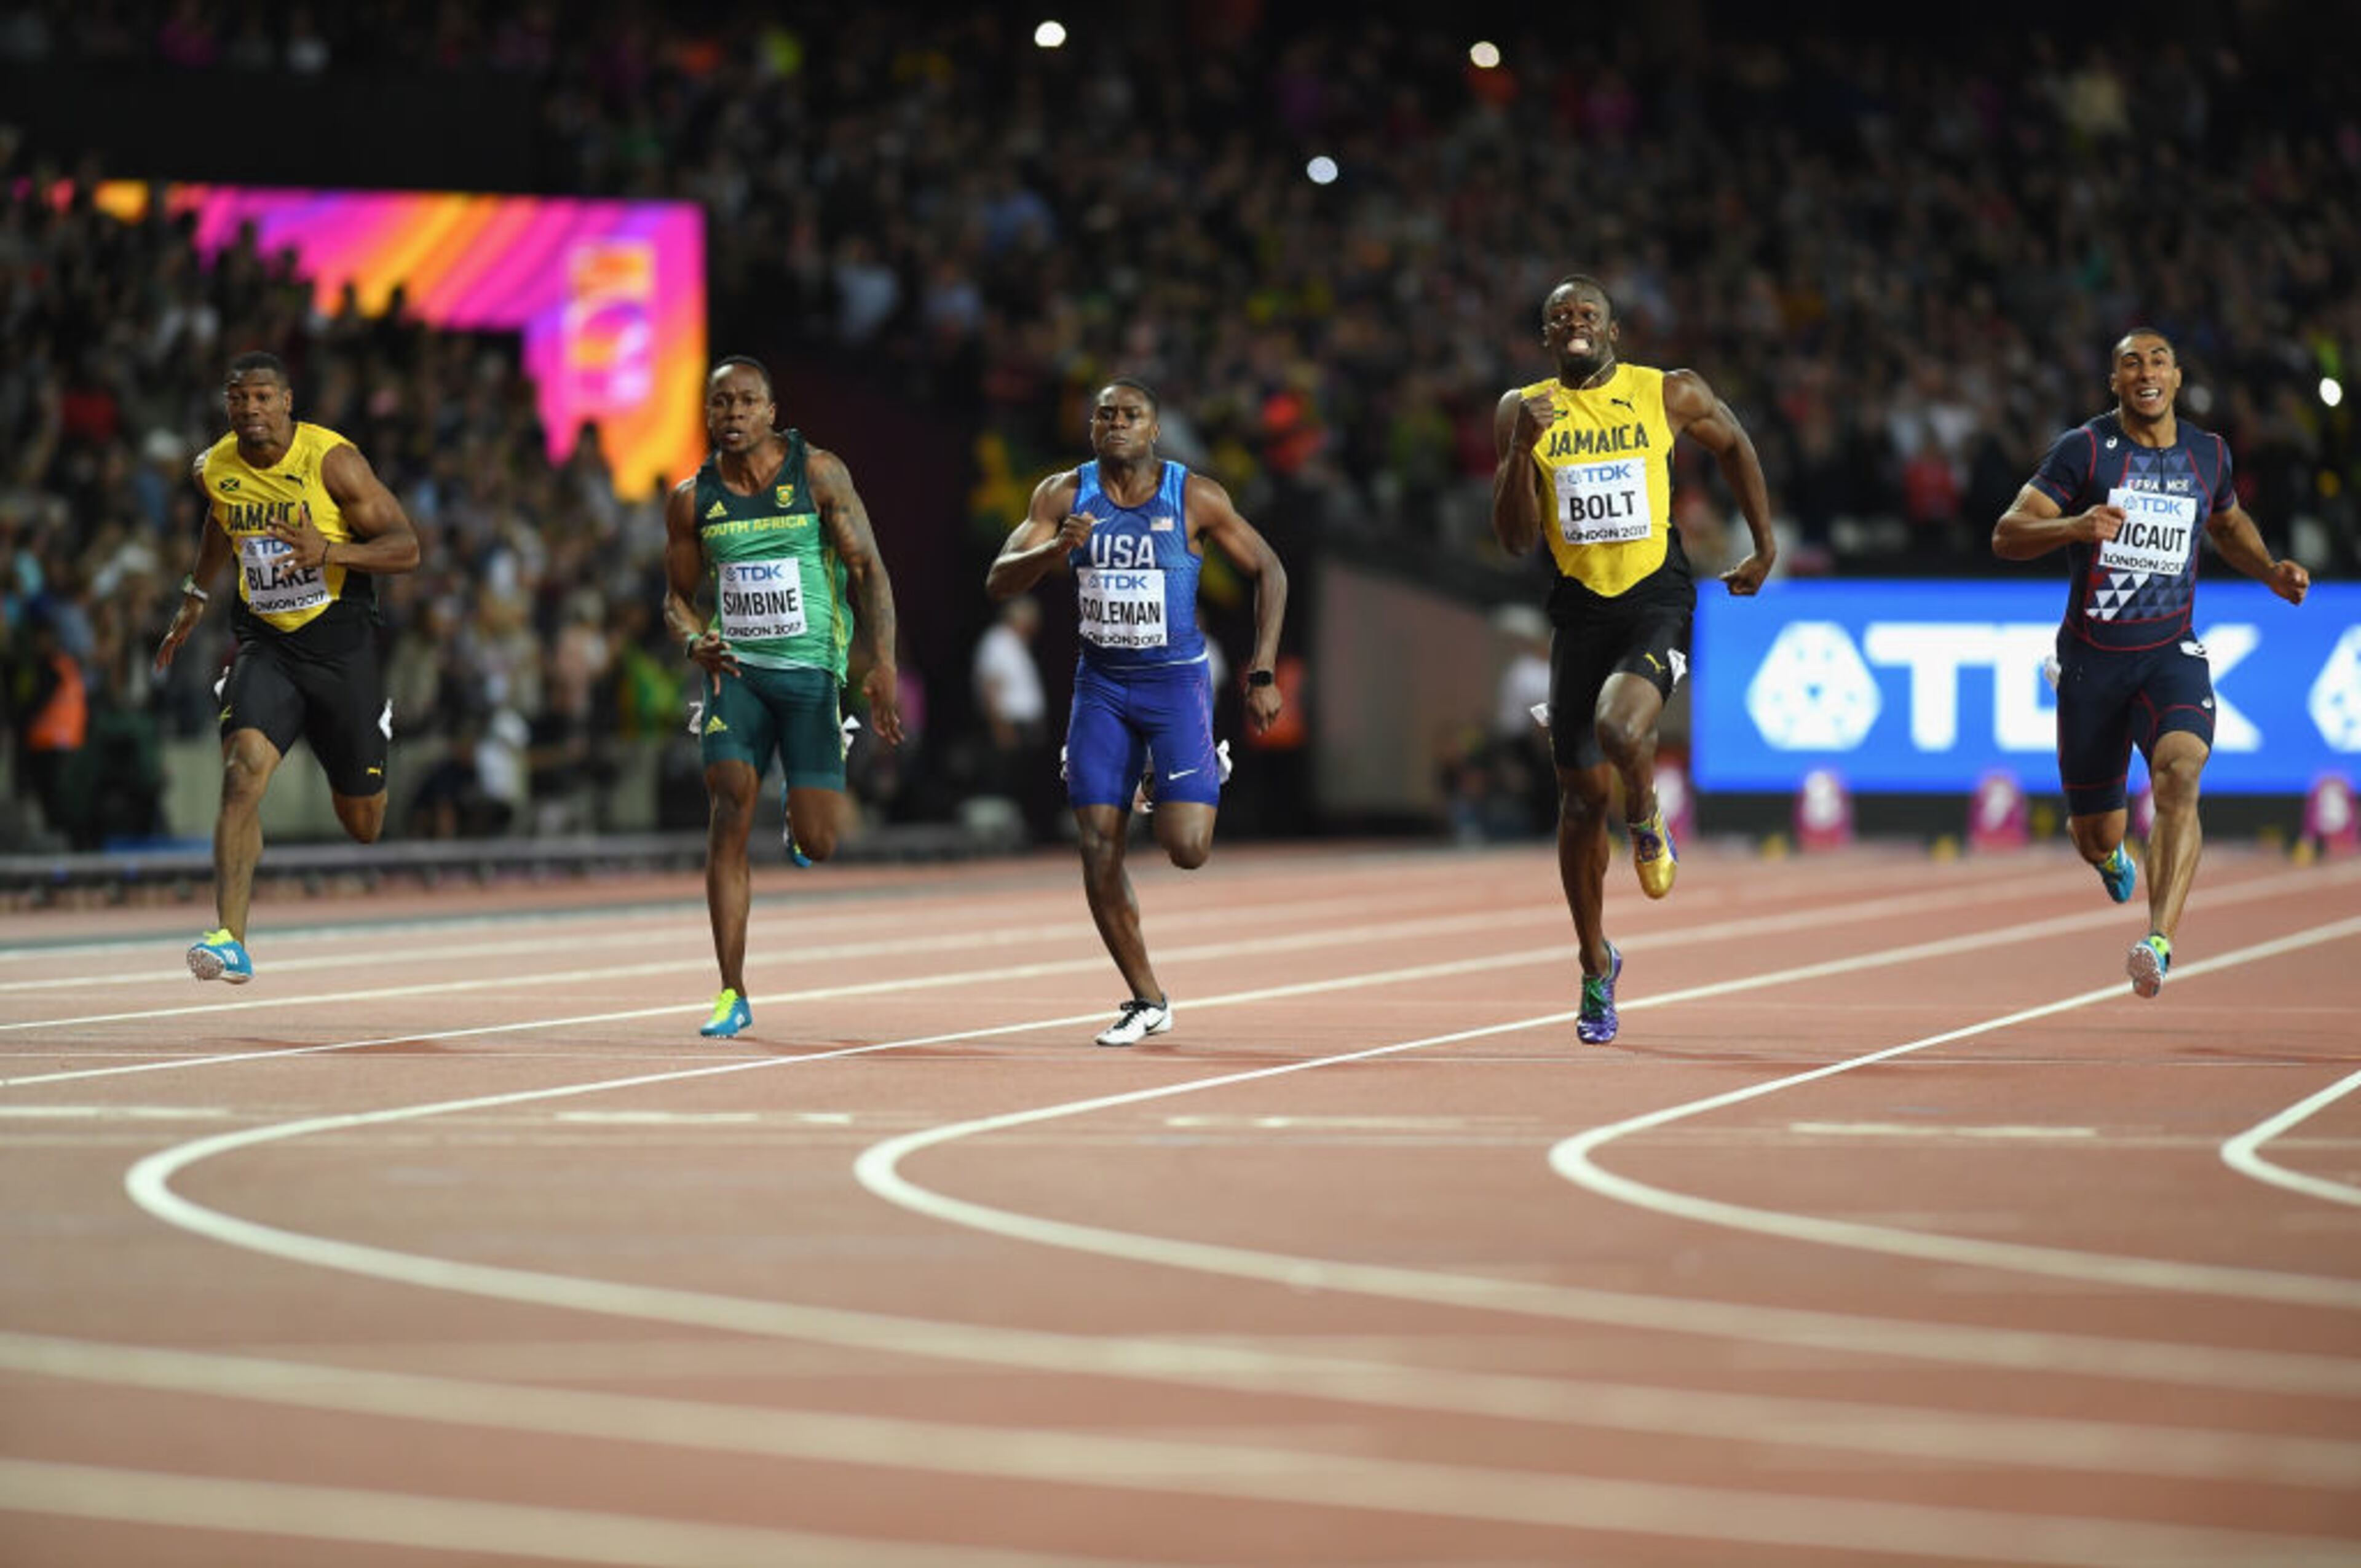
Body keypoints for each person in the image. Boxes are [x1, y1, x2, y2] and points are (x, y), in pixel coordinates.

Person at [1491, 274, 1776, 1045]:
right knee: (1580, 803)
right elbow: (1517, 537)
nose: (1574, 322)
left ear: (1614, 331)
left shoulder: (1667, 392)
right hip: (1579, 615)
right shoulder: (1524, 410)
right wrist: (1520, 450)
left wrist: (1763, 544)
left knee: (1622, 731)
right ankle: (1595, 966)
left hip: (1657, 602)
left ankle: (1647, 817)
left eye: (1588, 313)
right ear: (1548, 338)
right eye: (1560, 317)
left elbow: (1736, 444)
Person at [1993, 328, 2309, 997]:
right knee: (2094, 834)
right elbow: (2008, 534)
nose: (2146, 372)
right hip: (2092, 666)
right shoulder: (2084, 451)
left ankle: (2157, 939)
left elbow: (2228, 525)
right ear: (2115, 382)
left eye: (2158, 361)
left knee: (2180, 772)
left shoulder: (2208, 454)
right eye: (2131, 363)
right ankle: (2111, 859)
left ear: (2176, 377)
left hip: (2170, 653)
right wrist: (2073, 528)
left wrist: (2270, 571)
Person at [986, 378, 1287, 1047]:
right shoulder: (1063, 495)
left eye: (1131, 415)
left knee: (1188, 850)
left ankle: (1188, 766)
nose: (1116, 423)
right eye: (1105, 415)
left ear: (1155, 429)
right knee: (1097, 844)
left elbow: (1270, 570)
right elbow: (999, 577)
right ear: (1092, 429)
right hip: (1101, 688)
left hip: (1176, 687)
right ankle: (1146, 998)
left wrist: (1260, 671)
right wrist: (1054, 550)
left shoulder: (1195, 496)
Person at [154, 350, 422, 983]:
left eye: (263, 397)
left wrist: (327, 549)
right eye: (238, 398)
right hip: (266, 643)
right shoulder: (213, 468)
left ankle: (370, 726)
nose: (250, 409)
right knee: (243, 773)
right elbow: (223, 520)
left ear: (287, 402)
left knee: (363, 823)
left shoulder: (333, 462)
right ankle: (230, 939)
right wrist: (196, 594)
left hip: (340, 645)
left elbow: (407, 548)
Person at [663, 355, 904, 1040]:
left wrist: (881, 663)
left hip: (810, 679)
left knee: (823, 840)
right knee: (728, 802)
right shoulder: (691, 498)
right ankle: (731, 989)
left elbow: (869, 571)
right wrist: (692, 641)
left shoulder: (818, 474)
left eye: (745, 403)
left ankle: (800, 821)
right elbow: (676, 599)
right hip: (735, 676)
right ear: (706, 415)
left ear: (771, 412)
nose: (732, 415)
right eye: (720, 404)